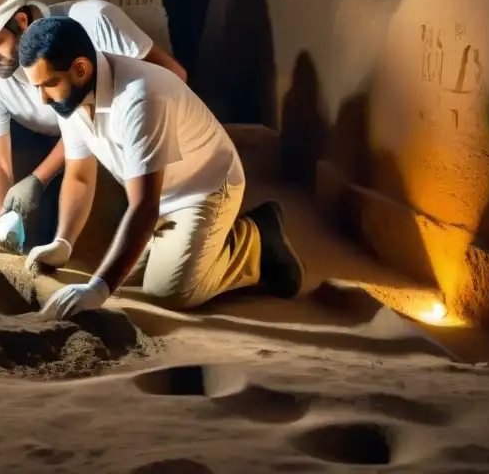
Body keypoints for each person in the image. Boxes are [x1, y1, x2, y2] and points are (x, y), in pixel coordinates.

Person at [17, 16, 304, 320]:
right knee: (129, 278)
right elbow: (80, 176)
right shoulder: (71, 94)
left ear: (80, 69)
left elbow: (143, 206)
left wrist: (98, 289)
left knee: (170, 291)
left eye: (48, 85)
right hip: (161, 193)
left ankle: (257, 237)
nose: (43, 98)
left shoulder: (138, 97)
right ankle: (179, 244)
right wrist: (63, 242)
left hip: (204, 187)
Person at [0, 0, 187, 251]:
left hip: (135, 134)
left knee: (125, 241)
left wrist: (39, 177)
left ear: (22, 22)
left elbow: (175, 76)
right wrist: (5, 223)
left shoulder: (95, 22)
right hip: (82, 144)